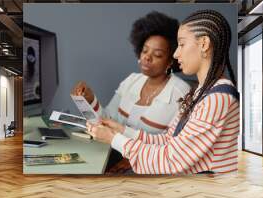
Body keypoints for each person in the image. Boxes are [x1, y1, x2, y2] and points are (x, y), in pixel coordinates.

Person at [87, 10, 240, 175]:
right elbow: (167, 140)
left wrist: (113, 139)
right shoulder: (200, 93)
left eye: (181, 44)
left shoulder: (218, 98)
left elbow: (172, 159)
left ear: (203, 43)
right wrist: (120, 130)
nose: (176, 54)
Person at [72, 11, 190, 172]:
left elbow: (174, 147)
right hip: (111, 153)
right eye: (145, 51)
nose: (147, 58)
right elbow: (108, 120)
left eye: (157, 54)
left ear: (170, 61)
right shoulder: (131, 80)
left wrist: (134, 158)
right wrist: (90, 99)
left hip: (149, 167)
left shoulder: (181, 93)